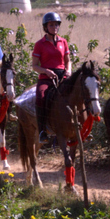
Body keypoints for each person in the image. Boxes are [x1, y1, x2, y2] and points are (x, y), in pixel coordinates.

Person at [32, 12, 71, 143]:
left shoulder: (63, 41)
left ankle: (81, 128)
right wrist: (47, 71)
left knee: (78, 92)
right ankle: (42, 130)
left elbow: (67, 60)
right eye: (51, 24)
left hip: (62, 75)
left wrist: (68, 71)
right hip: (45, 78)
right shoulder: (39, 44)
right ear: (45, 27)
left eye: (56, 24)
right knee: (41, 97)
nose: (54, 27)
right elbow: (34, 66)